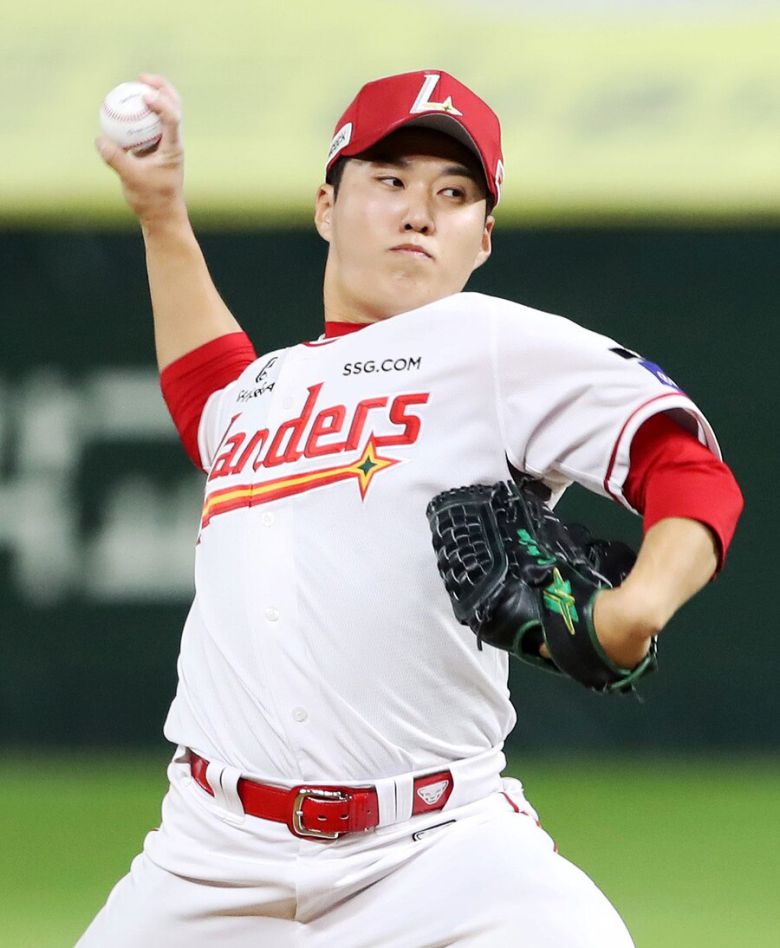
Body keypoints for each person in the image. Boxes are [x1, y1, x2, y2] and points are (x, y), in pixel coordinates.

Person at [81, 69, 742, 947]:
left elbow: (687, 468)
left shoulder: (493, 343)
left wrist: (637, 607)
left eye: (454, 193)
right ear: (326, 207)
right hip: (209, 857)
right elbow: (208, 393)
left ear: (484, 238)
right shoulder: (262, 391)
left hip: (438, 851)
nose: (420, 212)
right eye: (389, 180)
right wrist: (161, 212)